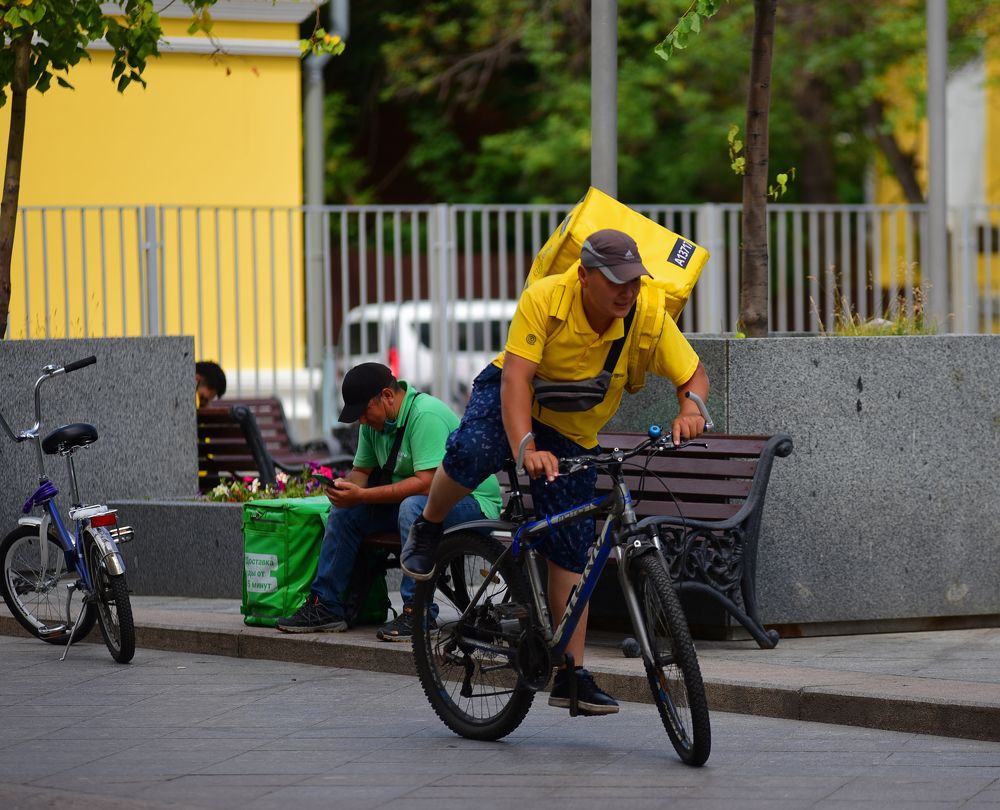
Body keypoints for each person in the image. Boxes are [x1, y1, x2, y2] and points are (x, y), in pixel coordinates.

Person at [401, 228, 710, 715]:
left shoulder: (646, 313)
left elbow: (693, 375)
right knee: (471, 450)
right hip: (514, 399)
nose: (627, 291)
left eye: (633, 280)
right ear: (584, 276)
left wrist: (690, 407)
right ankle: (429, 524)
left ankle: (570, 674)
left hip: (572, 429)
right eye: (615, 281)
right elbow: (517, 380)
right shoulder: (545, 299)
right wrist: (525, 446)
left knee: (570, 545)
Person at [277, 362, 503, 641]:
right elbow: (361, 473)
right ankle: (326, 605)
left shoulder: (425, 415)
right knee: (345, 512)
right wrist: (346, 490)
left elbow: (427, 484)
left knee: (413, 507)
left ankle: (418, 612)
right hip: (418, 503)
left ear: (386, 396)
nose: (362, 421)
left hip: (472, 502)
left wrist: (362, 495)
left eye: (364, 412)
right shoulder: (373, 423)